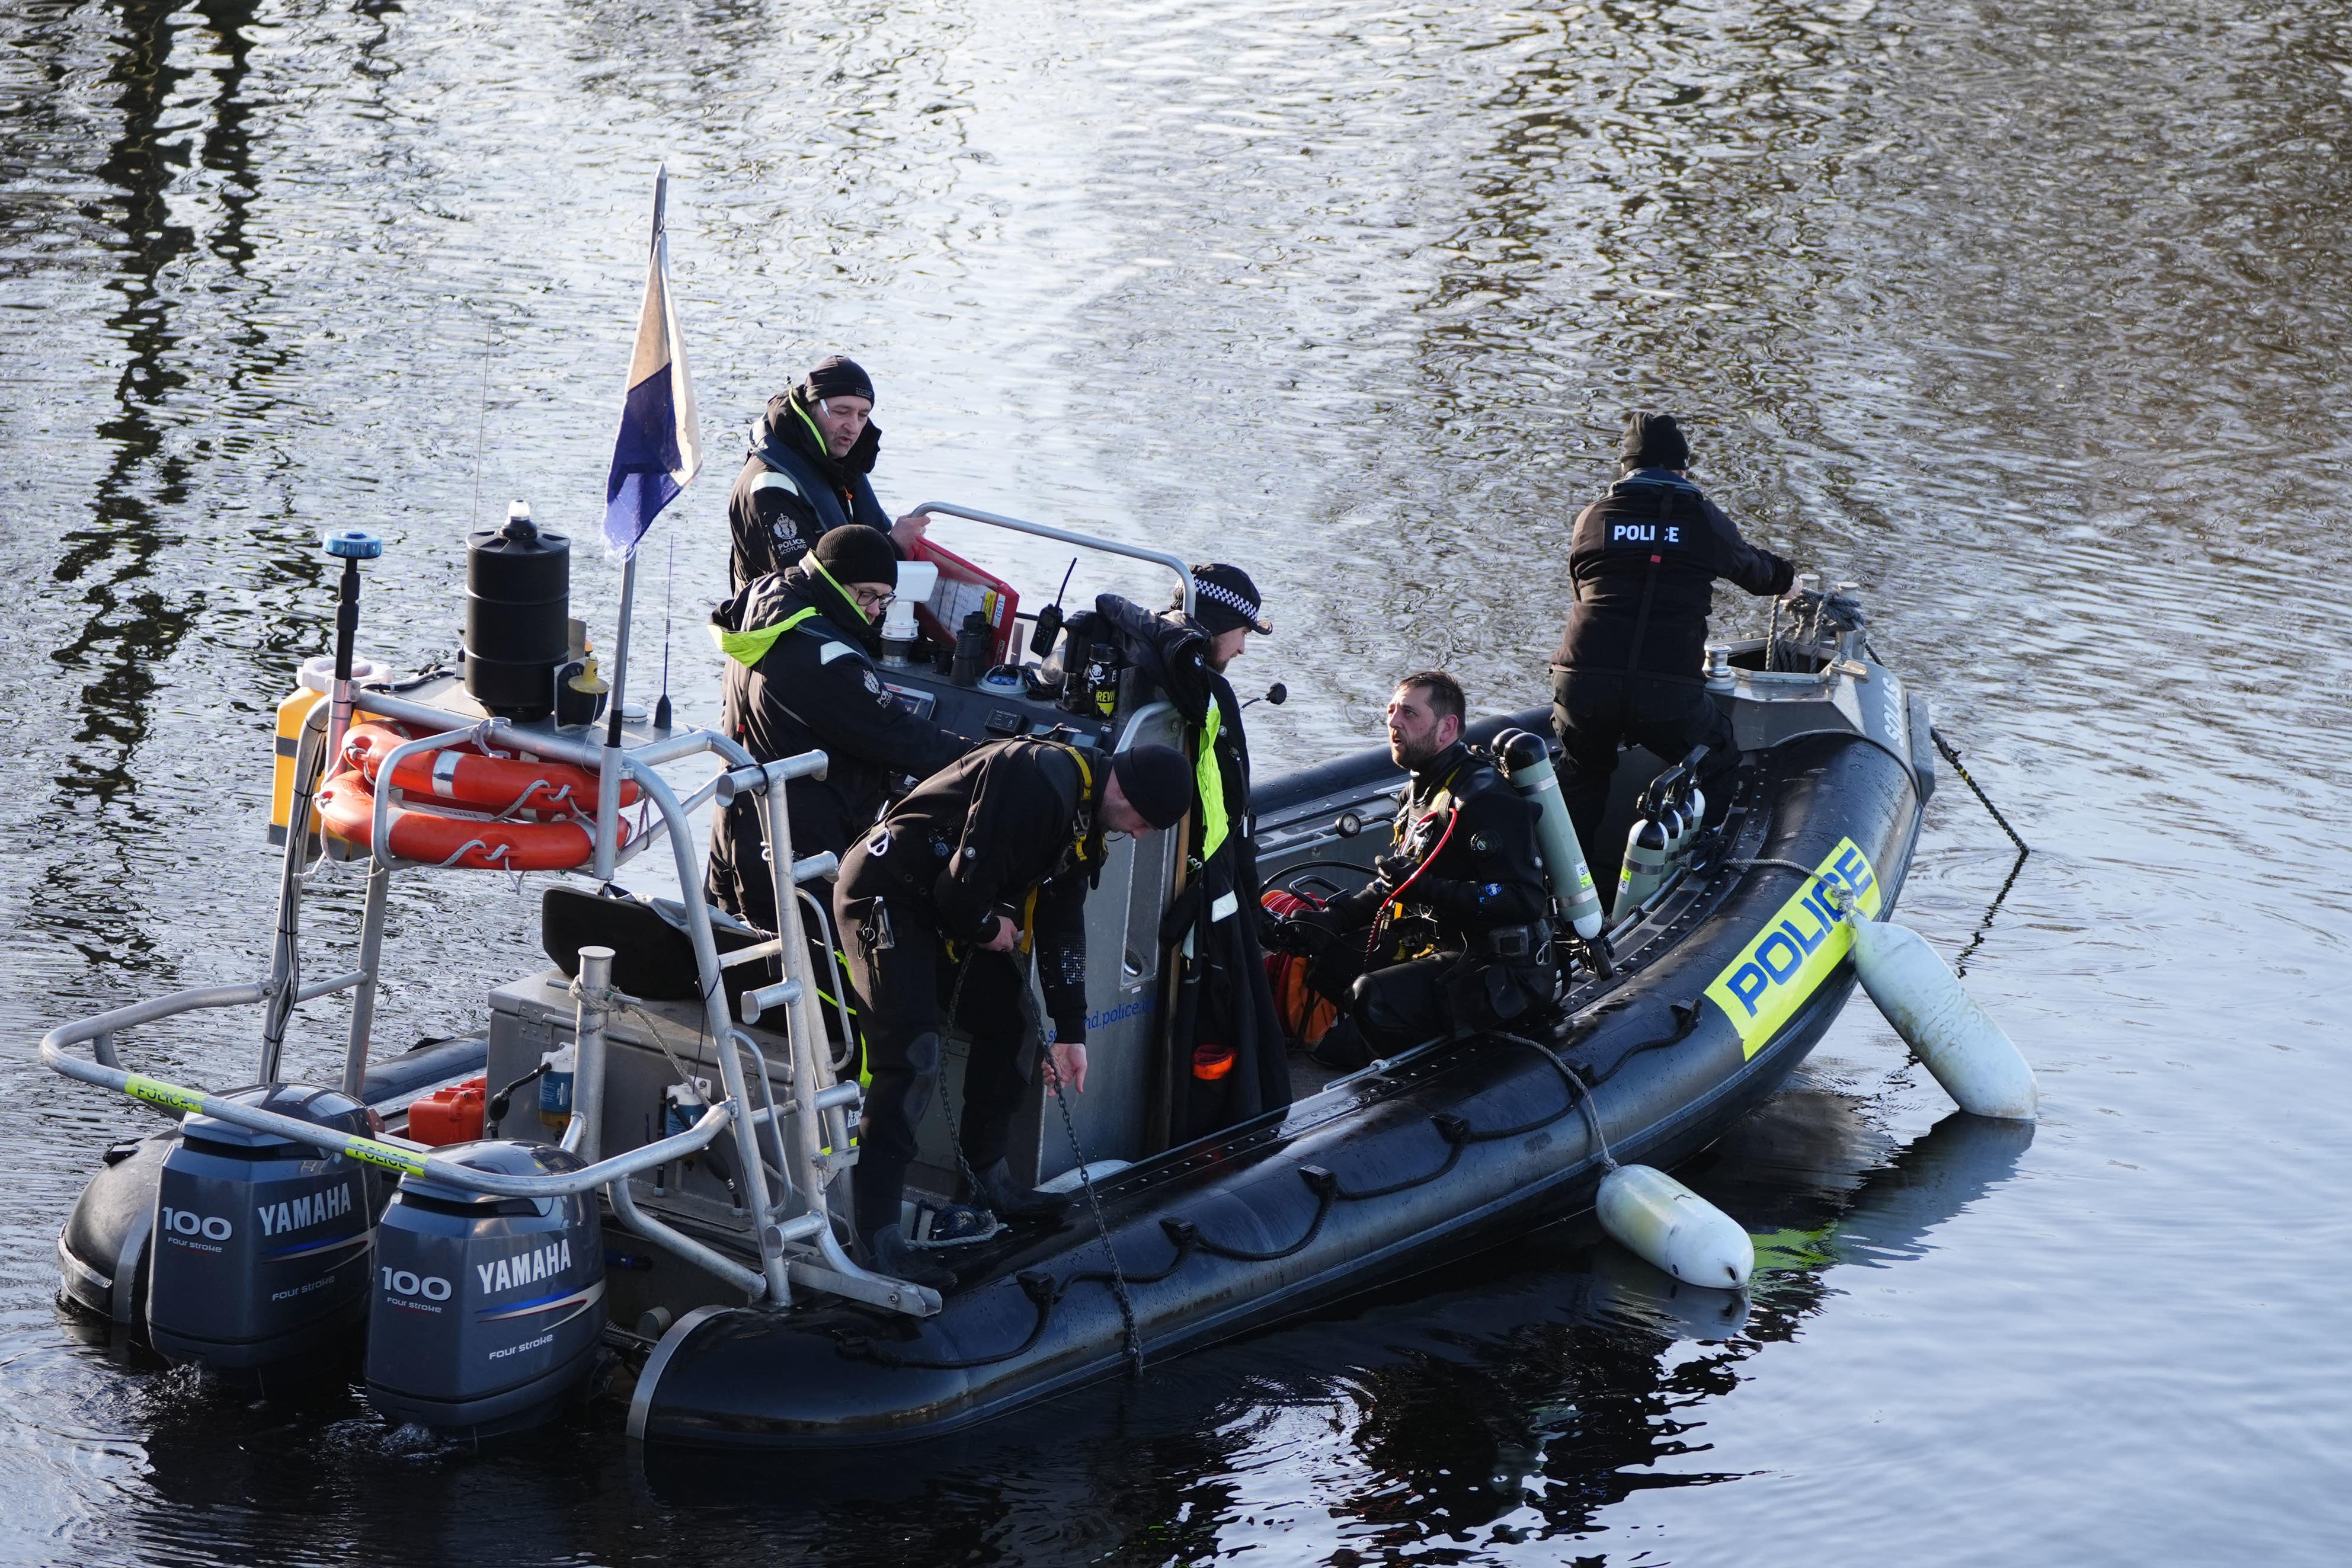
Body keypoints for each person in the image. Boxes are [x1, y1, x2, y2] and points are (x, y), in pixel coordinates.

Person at [833, 739, 1194, 1287]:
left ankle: (988, 1181)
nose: (1138, 835)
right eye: (1142, 823)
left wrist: (1072, 1031)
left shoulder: (1088, 821)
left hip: (944, 910)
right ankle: (878, 1233)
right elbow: (960, 894)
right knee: (912, 1057)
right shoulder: (1037, 780)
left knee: (1013, 1026)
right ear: (1125, 788)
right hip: (886, 898)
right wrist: (983, 927)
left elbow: (1061, 926)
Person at [1088, 564, 1289, 1141]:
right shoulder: (1208, 691)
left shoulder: (1144, 665)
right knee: (1220, 1023)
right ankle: (1208, 1137)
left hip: (1178, 889)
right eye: (1243, 632)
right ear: (1220, 624)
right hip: (1207, 898)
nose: (1245, 648)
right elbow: (1232, 808)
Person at [1276, 672, 1554, 1070]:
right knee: (1329, 960)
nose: (1392, 722)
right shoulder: (1419, 792)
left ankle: (1427, 1069)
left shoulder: (1483, 800)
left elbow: (1523, 900)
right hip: (1436, 940)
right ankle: (1390, 1040)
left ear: (1447, 728)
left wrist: (1428, 889)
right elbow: (1396, 881)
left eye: (1409, 713)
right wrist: (1330, 920)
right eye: (1391, 711)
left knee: (1371, 994)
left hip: (1500, 969)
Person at [1549, 411, 1796, 856]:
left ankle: (1564, 888)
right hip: (1666, 689)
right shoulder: (1702, 519)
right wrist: (1789, 582)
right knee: (1717, 758)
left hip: (1583, 680)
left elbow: (1581, 586)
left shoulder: (1593, 518)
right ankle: (1697, 872)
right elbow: (1755, 571)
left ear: (1624, 469)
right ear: (1681, 469)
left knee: (1582, 771)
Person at [705, 524, 967, 935]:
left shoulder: (767, 604)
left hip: (737, 828)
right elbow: (897, 735)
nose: (876, 610)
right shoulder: (823, 656)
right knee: (812, 973)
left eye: (884, 599)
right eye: (866, 595)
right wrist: (990, 757)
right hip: (798, 848)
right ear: (830, 579)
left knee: (733, 957)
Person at [727, 355, 932, 591]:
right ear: (812, 407)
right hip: (782, 621)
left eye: (863, 415)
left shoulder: (838, 466)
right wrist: (893, 546)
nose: (854, 427)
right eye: (842, 411)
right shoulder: (770, 484)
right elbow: (803, 581)